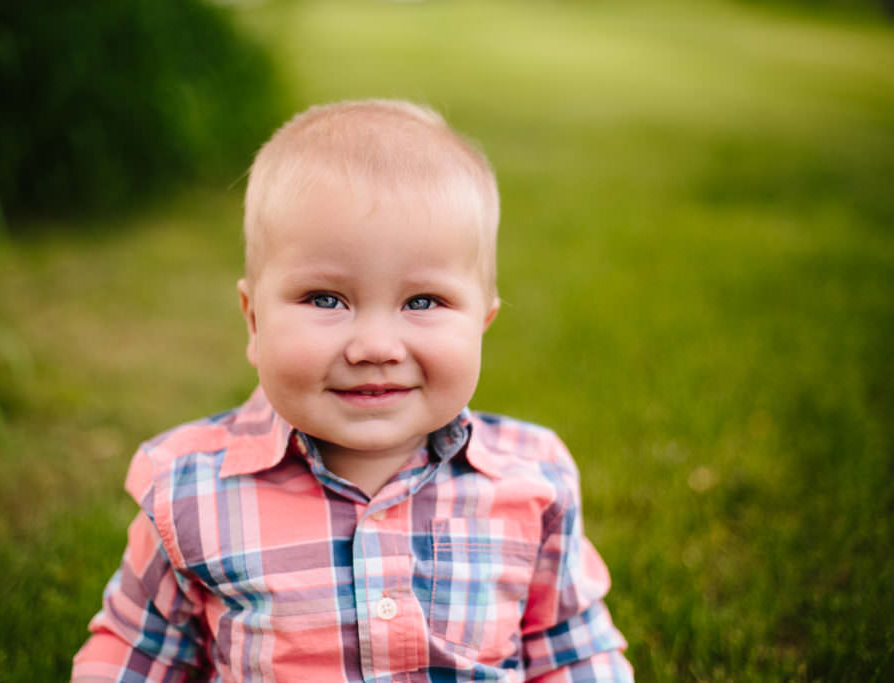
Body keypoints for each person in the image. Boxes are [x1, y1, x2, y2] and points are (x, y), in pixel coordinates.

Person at [72, 99, 632, 682]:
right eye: (325, 299)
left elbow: (572, 653)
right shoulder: (190, 491)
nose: (374, 346)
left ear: (481, 323)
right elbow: (134, 651)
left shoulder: (531, 481)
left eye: (422, 302)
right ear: (254, 321)